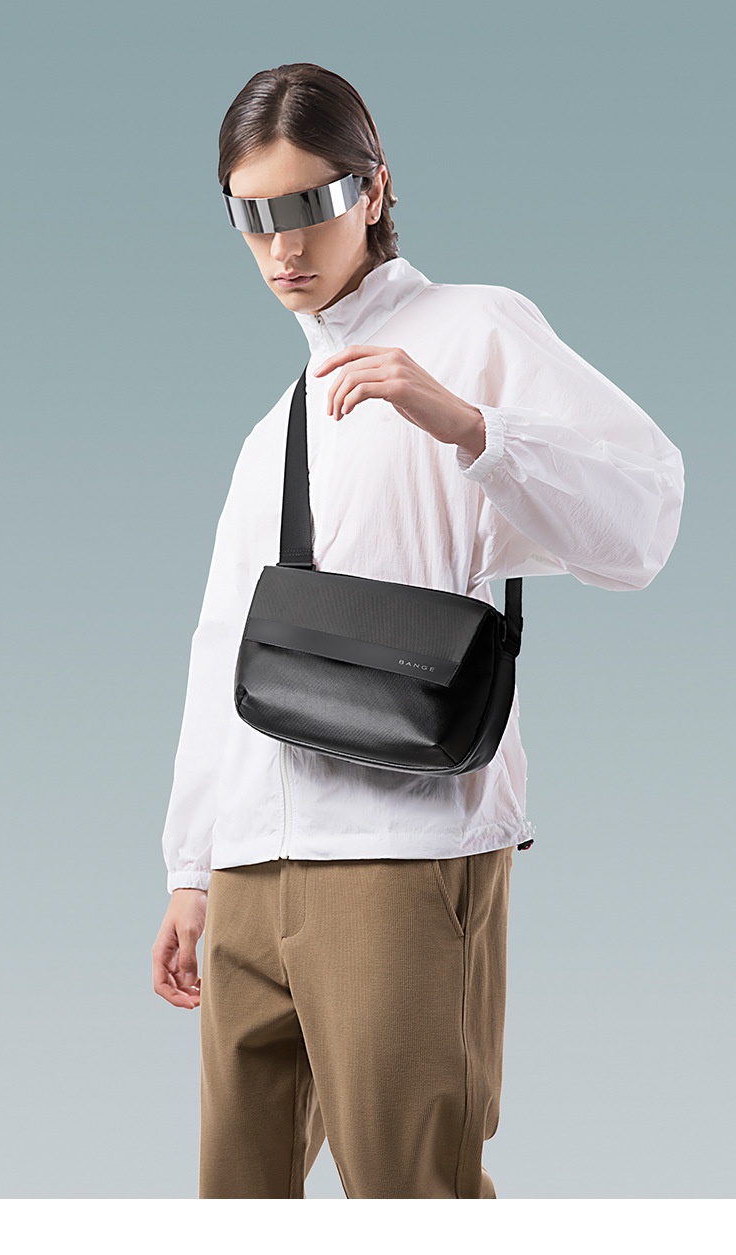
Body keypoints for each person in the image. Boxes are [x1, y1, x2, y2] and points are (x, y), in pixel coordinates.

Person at [151, 63, 685, 1199]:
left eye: (309, 203)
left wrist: (467, 423)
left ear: (375, 189)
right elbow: (221, 651)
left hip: (399, 847)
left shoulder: (473, 328)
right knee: (232, 1200)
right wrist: (193, 870)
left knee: (411, 1191)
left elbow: (642, 519)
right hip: (251, 867)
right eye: (253, 215)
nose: (284, 245)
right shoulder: (272, 428)